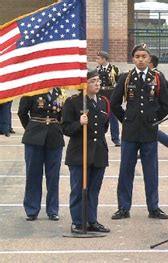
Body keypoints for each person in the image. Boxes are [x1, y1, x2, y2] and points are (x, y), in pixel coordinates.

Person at [110, 43, 168, 220]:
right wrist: (126, 119)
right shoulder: (126, 78)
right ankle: (123, 207)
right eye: (137, 56)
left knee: (151, 172)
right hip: (130, 132)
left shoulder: (157, 77)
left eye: (144, 56)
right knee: (126, 171)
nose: (141, 59)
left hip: (149, 132)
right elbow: (114, 103)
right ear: (133, 59)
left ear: (149, 59)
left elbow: (167, 105)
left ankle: (153, 207)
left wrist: (153, 118)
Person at [62, 69, 111, 234]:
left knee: (93, 189)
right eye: (92, 81)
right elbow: (65, 128)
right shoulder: (73, 102)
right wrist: (79, 123)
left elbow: (104, 127)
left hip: (98, 153)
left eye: (98, 80)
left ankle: (91, 220)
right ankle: (77, 221)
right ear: (83, 84)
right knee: (78, 189)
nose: (97, 83)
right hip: (79, 153)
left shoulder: (103, 101)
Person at [18, 87, 65, 221]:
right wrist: (31, 128)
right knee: (33, 174)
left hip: (54, 137)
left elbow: (61, 115)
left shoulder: (58, 92)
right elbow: (22, 112)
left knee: (53, 175)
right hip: (34, 137)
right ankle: (32, 209)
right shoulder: (32, 89)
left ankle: (52, 210)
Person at [149, 55, 168, 157]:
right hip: (152, 106)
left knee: (150, 129)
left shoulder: (157, 74)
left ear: (151, 63)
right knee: (149, 129)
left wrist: (160, 99)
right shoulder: (153, 74)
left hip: (154, 106)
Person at [96, 51, 121, 147]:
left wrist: (118, 96)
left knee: (113, 117)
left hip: (111, 94)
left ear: (104, 59)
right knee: (100, 116)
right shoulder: (98, 69)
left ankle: (116, 138)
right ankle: (99, 136)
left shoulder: (114, 69)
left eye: (98, 58)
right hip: (101, 94)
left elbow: (118, 84)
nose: (97, 60)